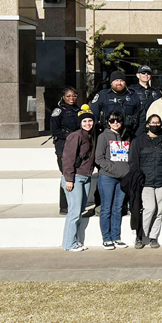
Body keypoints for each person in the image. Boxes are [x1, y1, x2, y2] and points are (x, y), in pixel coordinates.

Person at [128, 114, 162, 249]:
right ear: (148, 124)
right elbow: (133, 161)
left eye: (158, 123)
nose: (155, 125)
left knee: (159, 211)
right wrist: (136, 179)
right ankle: (140, 235)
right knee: (149, 208)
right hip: (145, 181)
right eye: (152, 123)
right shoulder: (138, 141)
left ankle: (153, 237)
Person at [60, 106, 97, 252]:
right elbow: (67, 158)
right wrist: (69, 179)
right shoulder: (76, 136)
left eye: (90, 121)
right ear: (80, 122)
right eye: (85, 121)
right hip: (75, 178)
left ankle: (74, 241)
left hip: (86, 176)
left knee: (79, 209)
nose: (88, 123)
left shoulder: (90, 136)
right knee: (74, 212)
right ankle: (68, 244)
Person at [94, 110, 131, 249]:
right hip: (107, 177)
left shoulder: (126, 136)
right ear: (107, 122)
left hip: (123, 178)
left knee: (118, 208)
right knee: (106, 208)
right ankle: (106, 238)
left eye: (118, 120)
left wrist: (126, 171)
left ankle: (116, 237)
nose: (115, 123)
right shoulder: (103, 136)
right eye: (112, 120)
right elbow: (99, 158)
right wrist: (112, 168)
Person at [50, 87, 80, 215]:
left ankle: (75, 203)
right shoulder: (58, 111)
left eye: (74, 96)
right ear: (63, 97)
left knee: (77, 174)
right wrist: (70, 136)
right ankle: (64, 206)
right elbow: (55, 130)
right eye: (68, 96)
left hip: (77, 145)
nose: (71, 98)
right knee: (66, 174)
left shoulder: (79, 110)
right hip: (63, 145)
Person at [90, 70, 142, 135]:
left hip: (128, 134)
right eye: (116, 80)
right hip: (106, 134)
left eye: (122, 81)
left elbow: (140, 117)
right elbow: (93, 115)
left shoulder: (133, 96)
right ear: (111, 83)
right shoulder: (102, 95)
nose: (119, 83)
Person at [128, 65, 162, 135]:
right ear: (138, 75)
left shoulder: (157, 92)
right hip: (137, 128)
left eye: (148, 73)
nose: (146, 75)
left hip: (153, 127)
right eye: (143, 73)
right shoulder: (131, 91)